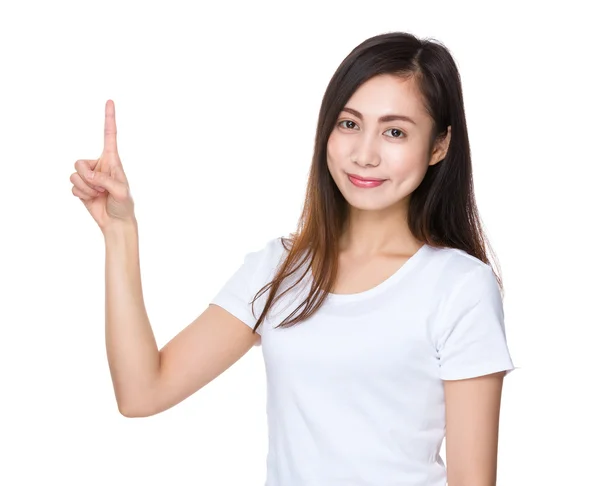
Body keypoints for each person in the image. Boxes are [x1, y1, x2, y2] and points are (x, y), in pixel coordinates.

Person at [70, 32, 515, 486]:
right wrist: (120, 232)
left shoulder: (460, 287)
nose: (365, 154)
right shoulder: (280, 268)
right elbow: (143, 391)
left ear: (439, 146)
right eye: (349, 124)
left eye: (395, 131)